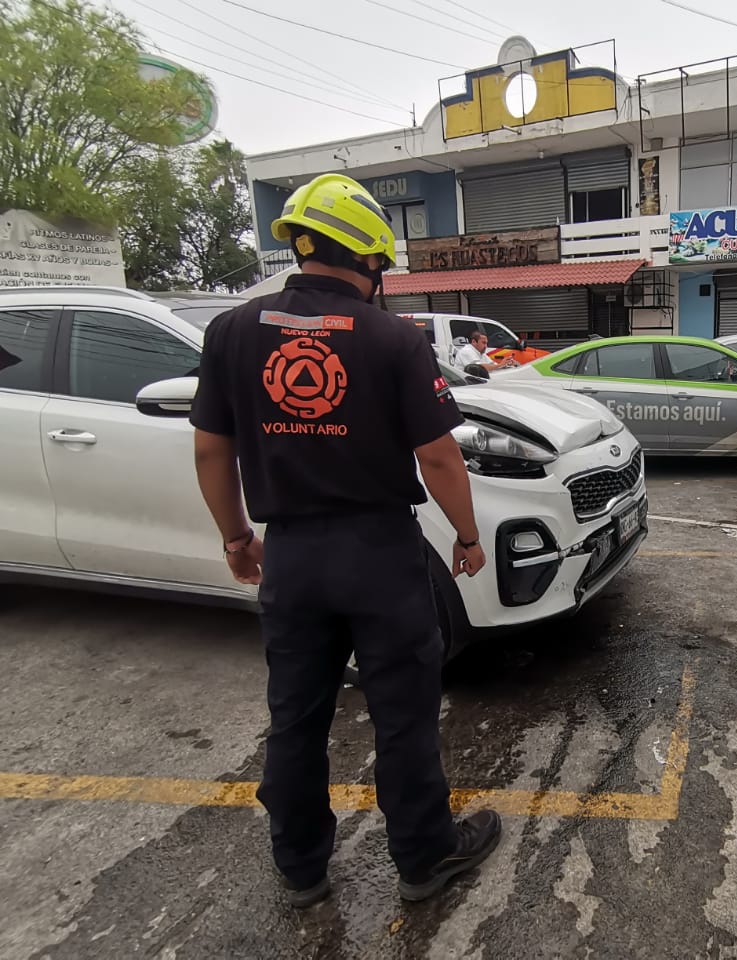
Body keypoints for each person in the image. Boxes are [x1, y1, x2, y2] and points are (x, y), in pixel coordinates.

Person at [189, 173, 500, 909]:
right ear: (366, 257)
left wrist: (236, 536)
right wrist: (467, 535)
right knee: (403, 715)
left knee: (295, 715)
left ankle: (300, 868)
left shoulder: (231, 333)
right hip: (380, 557)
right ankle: (424, 859)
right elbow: (438, 457)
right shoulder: (392, 338)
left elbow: (210, 451)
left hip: (290, 557)